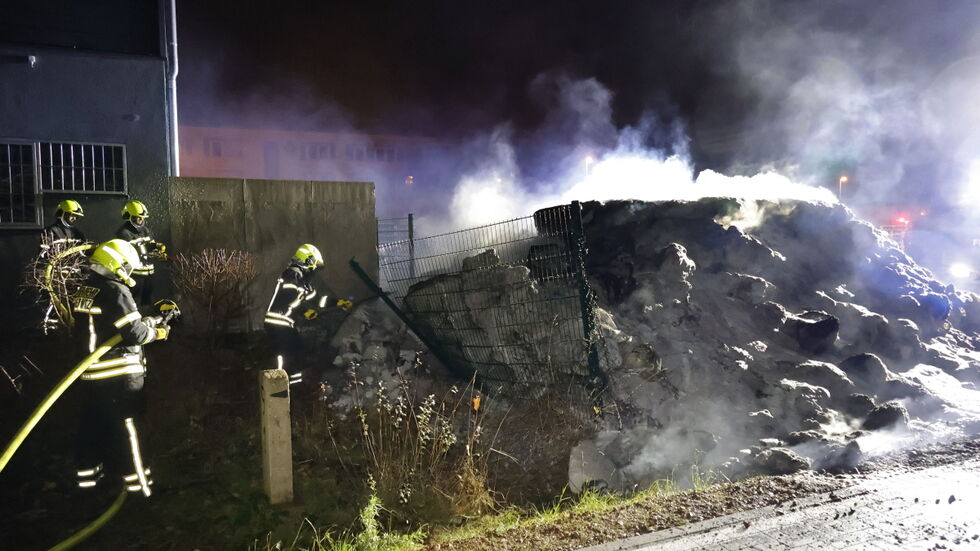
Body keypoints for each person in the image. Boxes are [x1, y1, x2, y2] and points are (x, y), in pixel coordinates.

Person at [72, 239, 173, 497]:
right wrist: (159, 332)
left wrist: (150, 312)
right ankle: (141, 489)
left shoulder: (86, 289)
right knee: (130, 431)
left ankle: (89, 483)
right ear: (118, 264)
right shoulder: (115, 290)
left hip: (91, 374)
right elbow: (135, 333)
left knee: (93, 428)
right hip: (120, 375)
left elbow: (112, 321)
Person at [264, 243, 351, 388]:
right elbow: (287, 297)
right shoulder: (291, 275)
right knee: (286, 355)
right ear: (307, 261)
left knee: (298, 353)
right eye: (313, 267)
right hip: (277, 321)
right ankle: (278, 388)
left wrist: (337, 303)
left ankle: (293, 389)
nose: (314, 271)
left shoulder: (302, 282)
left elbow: (318, 301)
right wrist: (303, 311)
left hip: (285, 322)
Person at [39, 200, 89, 333]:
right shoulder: (51, 231)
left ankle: (79, 329)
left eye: (75, 216)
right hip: (58, 277)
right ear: (62, 213)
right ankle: (61, 333)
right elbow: (44, 255)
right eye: (70, 215)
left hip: (76, 275)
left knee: (79, 305)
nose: (73, 218)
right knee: (59, 306)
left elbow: (84, 254)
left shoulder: (78, 233)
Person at [115, 200, 166, 307]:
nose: (140, 220)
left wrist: (157, 249)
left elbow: (150, 244)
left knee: (148, 303)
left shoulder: (145, 230)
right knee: (134, 303)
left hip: (148, 274)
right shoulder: (123, 233)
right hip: (135, 275)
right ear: (128, 216)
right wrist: (149, 251)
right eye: (137, 217)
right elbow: (132, 251)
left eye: (142, 217)